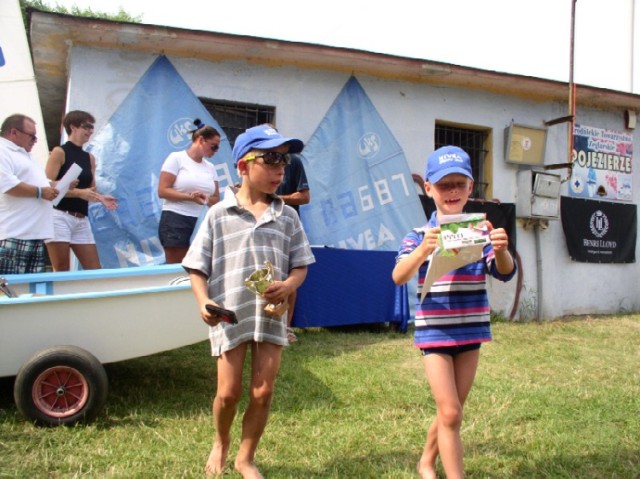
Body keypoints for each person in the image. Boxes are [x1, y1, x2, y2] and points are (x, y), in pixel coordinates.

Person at [182, 124, 315, 478]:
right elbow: (197, 267)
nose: (280, 170)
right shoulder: (218, 215)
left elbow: (300, 266)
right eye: (270, 159)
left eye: (284, 161)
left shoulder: (286, 215)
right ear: (243, 165)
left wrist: (288, 285)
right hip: (230, 315)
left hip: (271, 316)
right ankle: (221, 440)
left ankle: (245, 456)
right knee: (228, 393)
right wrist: (202, 300)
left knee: (263, 390)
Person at [391, 145, 516, 479]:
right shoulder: (417, 236)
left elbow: (503, 272)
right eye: (444, 185)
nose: (452, 191)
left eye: (459, 184)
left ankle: (426, 462)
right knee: (450, 411)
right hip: (435, 332)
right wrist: (422, 250)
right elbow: (398, 275)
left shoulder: (480, 231)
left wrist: (502, 249)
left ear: (470, 188)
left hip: (471, 330)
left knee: (452, 413)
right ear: (428, 188)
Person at [44, 110, 117, 271]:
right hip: (59, 214)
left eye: (92, 128)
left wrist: (100, 198)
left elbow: (89, 190)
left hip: (81, 217)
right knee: (62, 268)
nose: (90, 131)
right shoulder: (59, 152)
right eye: (87, 127)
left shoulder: (89, 157)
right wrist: (78, 192)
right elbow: (47, 186)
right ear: (73, 127)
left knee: (94, 268)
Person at [0, 113, 59, 274]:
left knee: (32, 291)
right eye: (32, 137)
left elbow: (38, 182)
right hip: (14, 234)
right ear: (13, 132)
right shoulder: (3, 150)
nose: (34, 141)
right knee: (8, 290)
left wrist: (55, 185)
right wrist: (40, 192)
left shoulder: (25, 155)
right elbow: (7, 184)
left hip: (33, 233)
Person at [158, 119, 221, 264]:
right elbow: (162, 190)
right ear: (201, 140)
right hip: (176, 218)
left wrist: (205, 198)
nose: (216, 151)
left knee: (199, 266)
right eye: (214, 146)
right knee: (177, 269)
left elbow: (216, 198)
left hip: (202, 220)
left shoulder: (210, 167)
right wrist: (189, 197)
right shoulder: (176, 158)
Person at [275, 153, 310, 342]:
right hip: (258, 225)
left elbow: (304, 197)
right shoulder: (252, 162)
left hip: (286, 228)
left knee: (290, 275)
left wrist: (275, 198)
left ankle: (286, 328)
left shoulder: (293, 161)